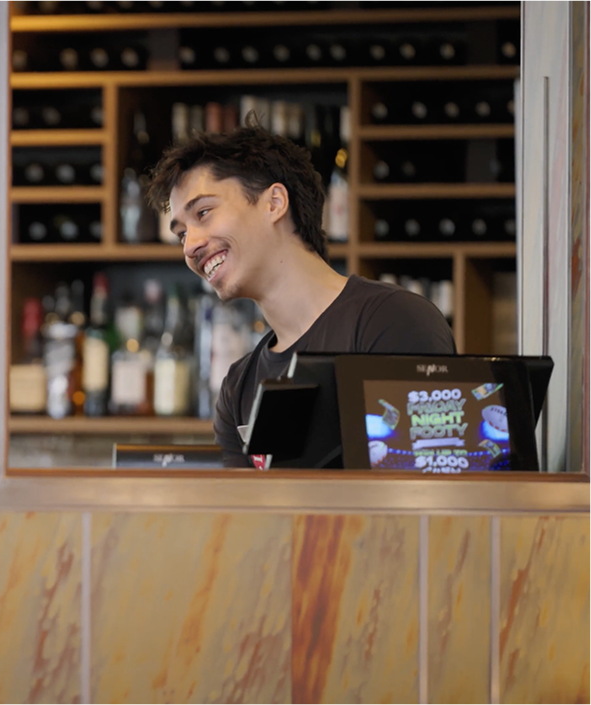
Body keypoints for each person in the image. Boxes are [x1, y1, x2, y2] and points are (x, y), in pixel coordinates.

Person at [147, 124, 456, 469]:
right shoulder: (238, 386)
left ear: (274, 203)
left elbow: (430, 497)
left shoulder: (391, 322)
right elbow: (241, 518)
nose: (190, 246)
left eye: (203, 213)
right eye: (181, 234)